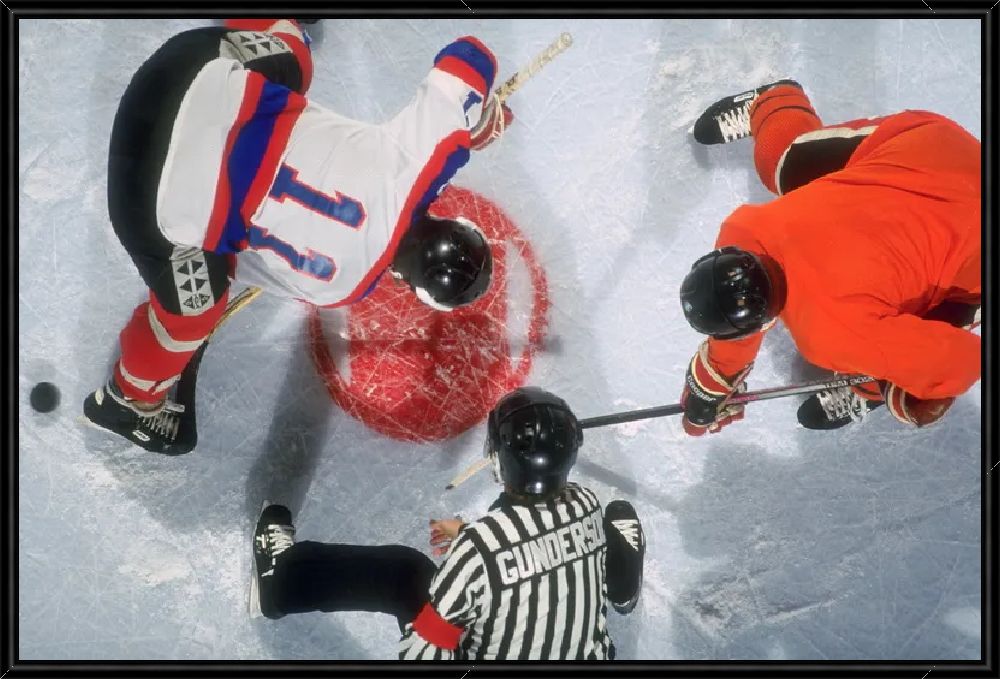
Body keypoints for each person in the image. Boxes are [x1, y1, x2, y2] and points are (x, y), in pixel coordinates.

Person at [83, 18, 513, 454]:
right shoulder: (344, 287)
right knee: (198, 306)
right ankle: (130, 400)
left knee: (296, 61)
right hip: (141, 199)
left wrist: (474, 123)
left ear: (453, 222)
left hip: (180, 70)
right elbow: (230, 259)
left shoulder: (422, 159)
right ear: (413, 287)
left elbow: (469, 57)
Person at [249, 387, 647, 660]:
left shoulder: (480, 548)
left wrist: (472, 553)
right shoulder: (584, 503)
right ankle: (622, 588)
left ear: (497, 461)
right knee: (609, 527)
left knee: (403, 573)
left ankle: (279, 583)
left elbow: (424, 655)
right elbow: (530, 546)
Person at [679, 80, 980, 432]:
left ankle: (872, 386)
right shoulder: (744, 231)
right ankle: (774, 104)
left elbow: (963, 361)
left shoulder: (829, 335)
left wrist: (909, 399)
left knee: (901, 358)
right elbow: (740, 300)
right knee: (783, 162)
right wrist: (709, 385)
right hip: (935, 149)